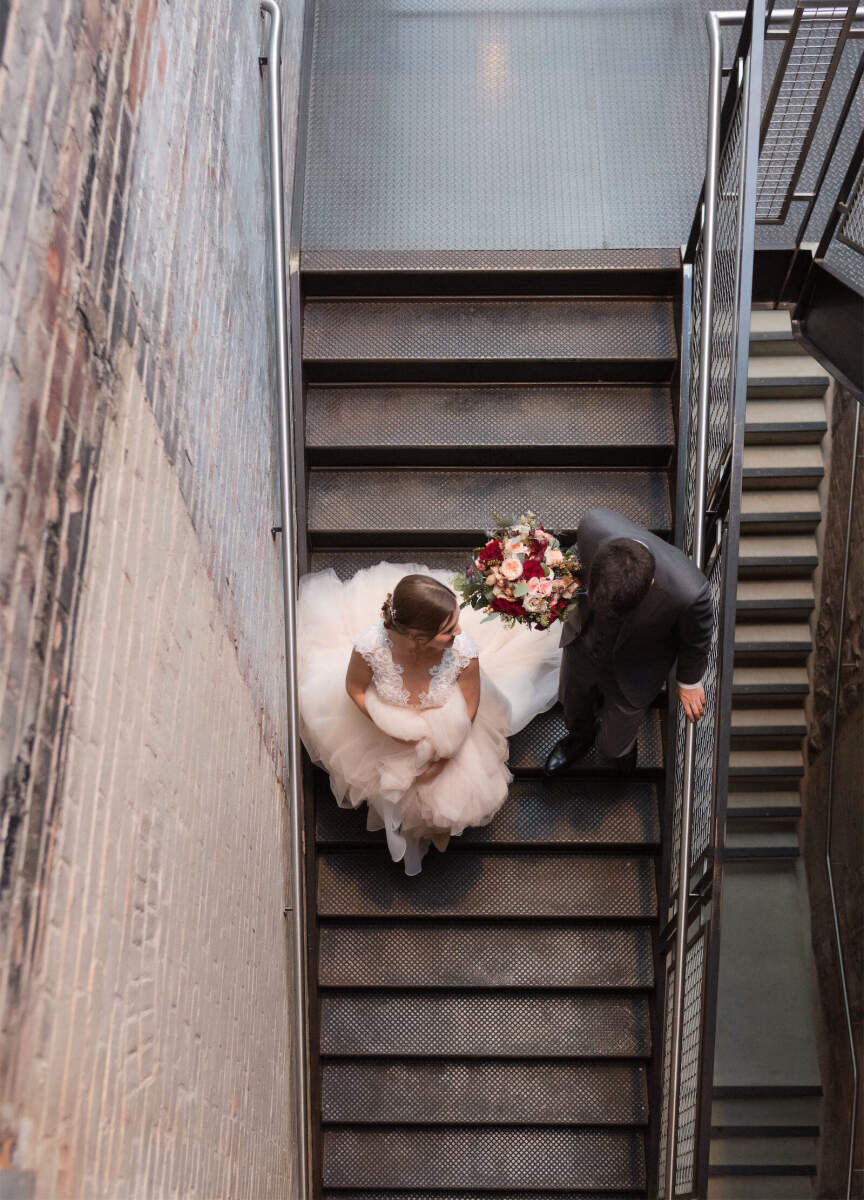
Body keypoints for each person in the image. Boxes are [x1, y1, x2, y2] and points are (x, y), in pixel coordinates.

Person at [298, 563, 561, 875]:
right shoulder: (370, 648)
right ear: (417, 638)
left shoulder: (463, 652)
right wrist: (386, 724)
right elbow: (354, 688)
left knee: (448, 794)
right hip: (380, 733)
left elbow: (471, 702)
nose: (459, 633)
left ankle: (437, 828)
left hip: (449, 726)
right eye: (448, 630)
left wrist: (447, 752)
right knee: (385, 789)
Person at [545, 507, 713, 775]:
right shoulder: (593, 525)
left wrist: (689, 681)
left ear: (651, 582)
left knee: (613, 744)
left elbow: (697, 638)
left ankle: (619, 751)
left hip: (637, 665)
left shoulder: (689, 593)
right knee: (571, 700)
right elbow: (576, 557)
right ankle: (579, 737)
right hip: (584, 641)